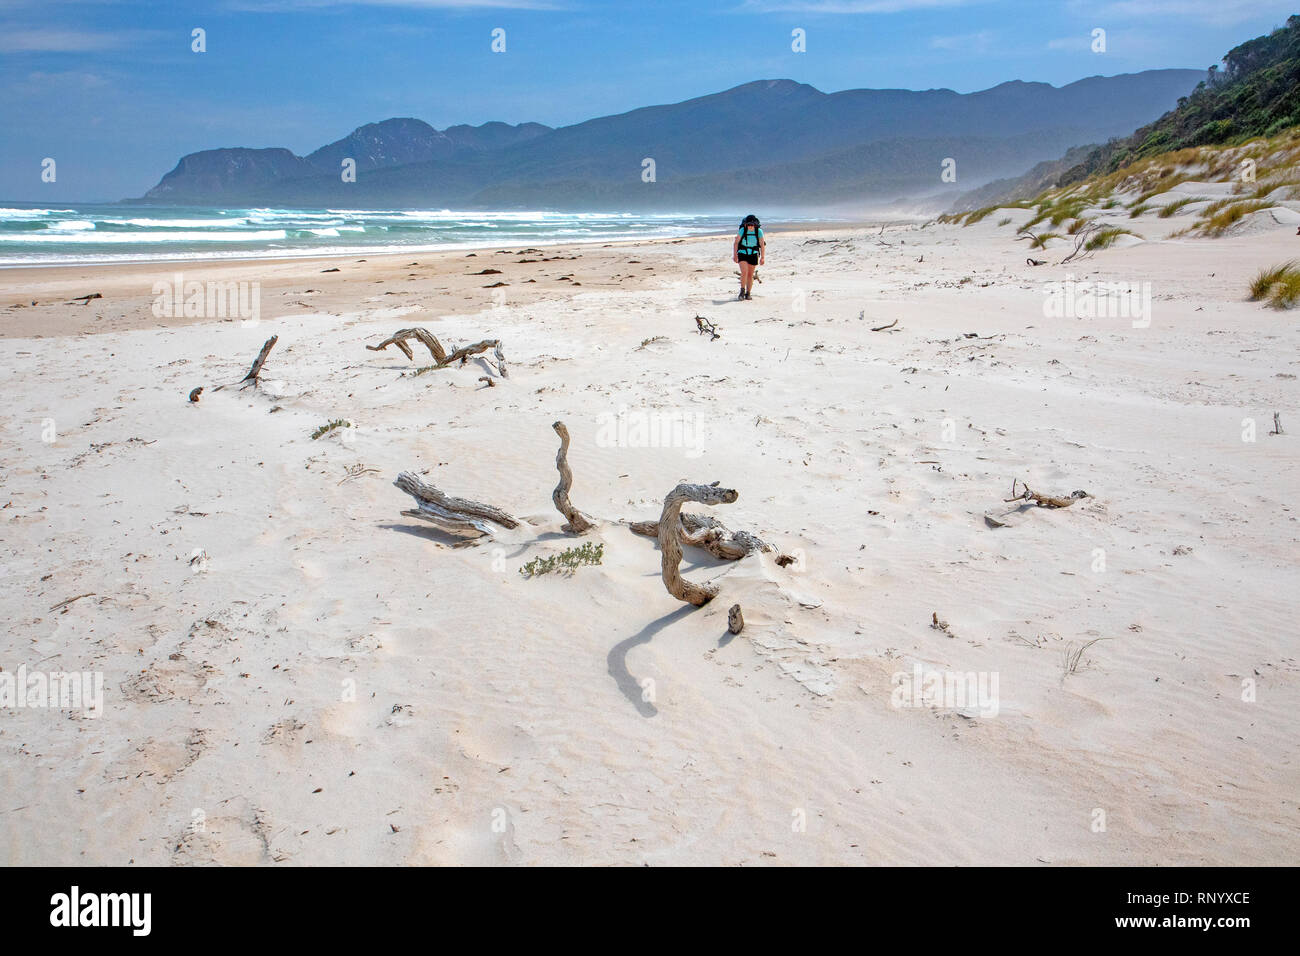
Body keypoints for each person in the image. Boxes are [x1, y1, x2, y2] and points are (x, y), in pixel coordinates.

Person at [733, 214, 765, 300]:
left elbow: (762, 245)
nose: (750, 226)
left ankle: (748, 293)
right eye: (749, 225)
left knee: (750, 275)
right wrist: (735, 255)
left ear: (755, 224)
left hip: (753, 254)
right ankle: (742, 292)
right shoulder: (742, 230)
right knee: (744, 272)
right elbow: (736, 243)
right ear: (746, 224)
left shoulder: (759, 231)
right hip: (742, 252)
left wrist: (762, 257)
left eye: (752, 225)